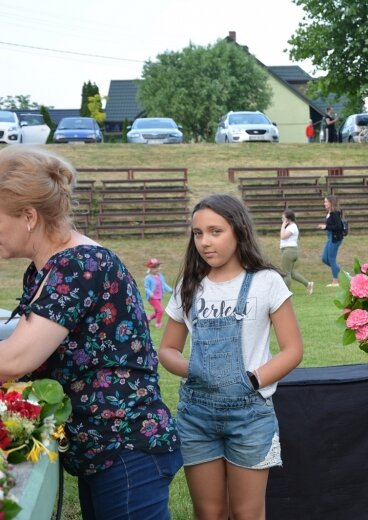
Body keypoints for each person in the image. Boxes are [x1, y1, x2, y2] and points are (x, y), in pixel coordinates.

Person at [0, 146, 182, 519]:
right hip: (103, 451)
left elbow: (17, 359)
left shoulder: (78, 265)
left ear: (29, 216)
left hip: (126, 450)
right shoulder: (48, 268)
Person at [158, 194, 303, 520]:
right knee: (209, 513)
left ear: (238, 231)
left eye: (215, 231)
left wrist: (253, 379)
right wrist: (191, 367)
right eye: (198, 233)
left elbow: (293, 350)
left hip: (250, 417)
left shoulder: (267, 282)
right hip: (197, 417)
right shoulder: (189, 286)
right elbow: (167, 350)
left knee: (247, 513)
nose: (205, 242)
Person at [280, 208, 314, 295]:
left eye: (283, 218)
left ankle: (285, 293)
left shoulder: (292, 227)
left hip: (289, 251)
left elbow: (283, 236)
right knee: (292, 273)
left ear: (288, 219)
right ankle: (308, 284)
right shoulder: (292, 227)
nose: (282, 220)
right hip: (291, 251)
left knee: (286, 273)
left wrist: (283, 226)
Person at [317, 195, 344, 287]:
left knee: (332, 259)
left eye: (326, 202)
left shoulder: (335, 213)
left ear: (331, 203)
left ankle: (335, 282)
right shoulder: (330, 213)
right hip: (330, 238)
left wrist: (326, 227)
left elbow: (338, 226)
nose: (324, 203)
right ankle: (344, 274)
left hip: (335, 238)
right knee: (325, 259)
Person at [144, 257, 173, 328]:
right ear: (150, 269)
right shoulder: (148, 278)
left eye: (158, 267)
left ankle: (148, 318)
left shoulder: (160, 276)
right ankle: (158, 324)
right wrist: (150, 293)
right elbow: (146, 287)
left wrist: (171, 290)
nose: (157, 269)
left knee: (157, 311)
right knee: (160, 310)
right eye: (154, 267)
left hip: (159, 297)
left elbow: (164, 285)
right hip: (152, 297)